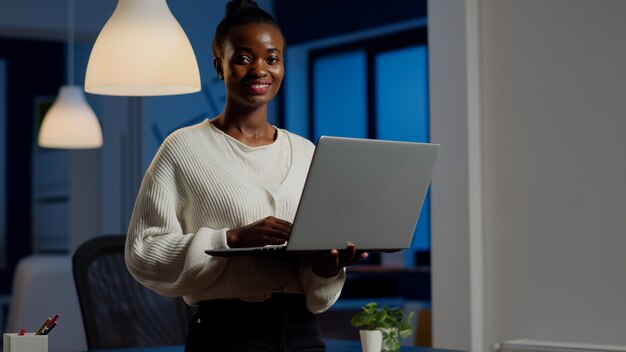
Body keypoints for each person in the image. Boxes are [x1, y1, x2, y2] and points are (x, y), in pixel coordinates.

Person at [124, 1, 368, 351]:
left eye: (272, 58)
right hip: (226, 334)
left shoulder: (306, 153)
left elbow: (315, 284)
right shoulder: (182, 149)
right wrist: (232, 239)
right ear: (219, 67)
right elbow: (142, 252)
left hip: (303, 334)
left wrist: (326, 267)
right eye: (243, 58)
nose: (260, 70)